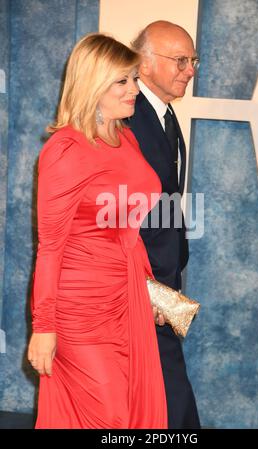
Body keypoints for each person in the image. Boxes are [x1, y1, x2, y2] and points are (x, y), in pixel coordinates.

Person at [27, 32, 167, 429]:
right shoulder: (66, 149)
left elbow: (126, 229)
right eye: (122, 81)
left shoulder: (127, 138)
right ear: (93, 84)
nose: (135, 90)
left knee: (131, 411)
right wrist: (44, 328)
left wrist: (147, 286)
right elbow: (50, 247)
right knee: (110, 415)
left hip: (125, 297)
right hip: (79, 307)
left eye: (134, 79)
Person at [129, 21, 201, 429]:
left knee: (156, 394)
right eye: (180, 60)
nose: (189, 69)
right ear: (145, 62)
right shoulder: (129, 116)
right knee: (170, 399)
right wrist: (146, 284)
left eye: (192, 60)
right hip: (140, 285)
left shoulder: (165, 117)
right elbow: (119, 212)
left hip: (161, 283)